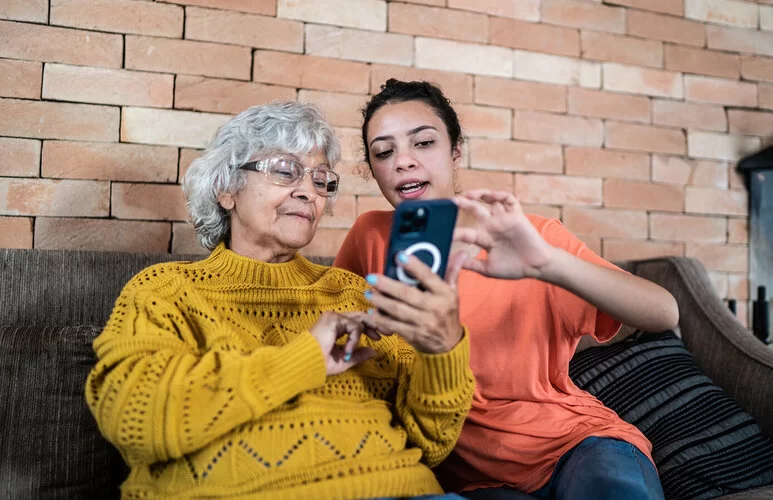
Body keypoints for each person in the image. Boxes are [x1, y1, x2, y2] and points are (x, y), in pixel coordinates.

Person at [84, 101, 476, 499]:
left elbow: (431, 444)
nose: (308, 191)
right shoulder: (165, 291)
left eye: (321, 180)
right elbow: (135, 420)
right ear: (226, 190)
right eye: (285, 171)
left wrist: (442, 348)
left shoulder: (353, 292)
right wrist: (304, 358)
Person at [334, 79, 680, 499]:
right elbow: (338, 340)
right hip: (471, 478)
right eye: (384, 152)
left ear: (456, 151)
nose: (403, 162)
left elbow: (664, 313)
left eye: (423, 143)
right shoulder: (370, 237)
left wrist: (548, 263)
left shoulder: (529, 235)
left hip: (576, 446)